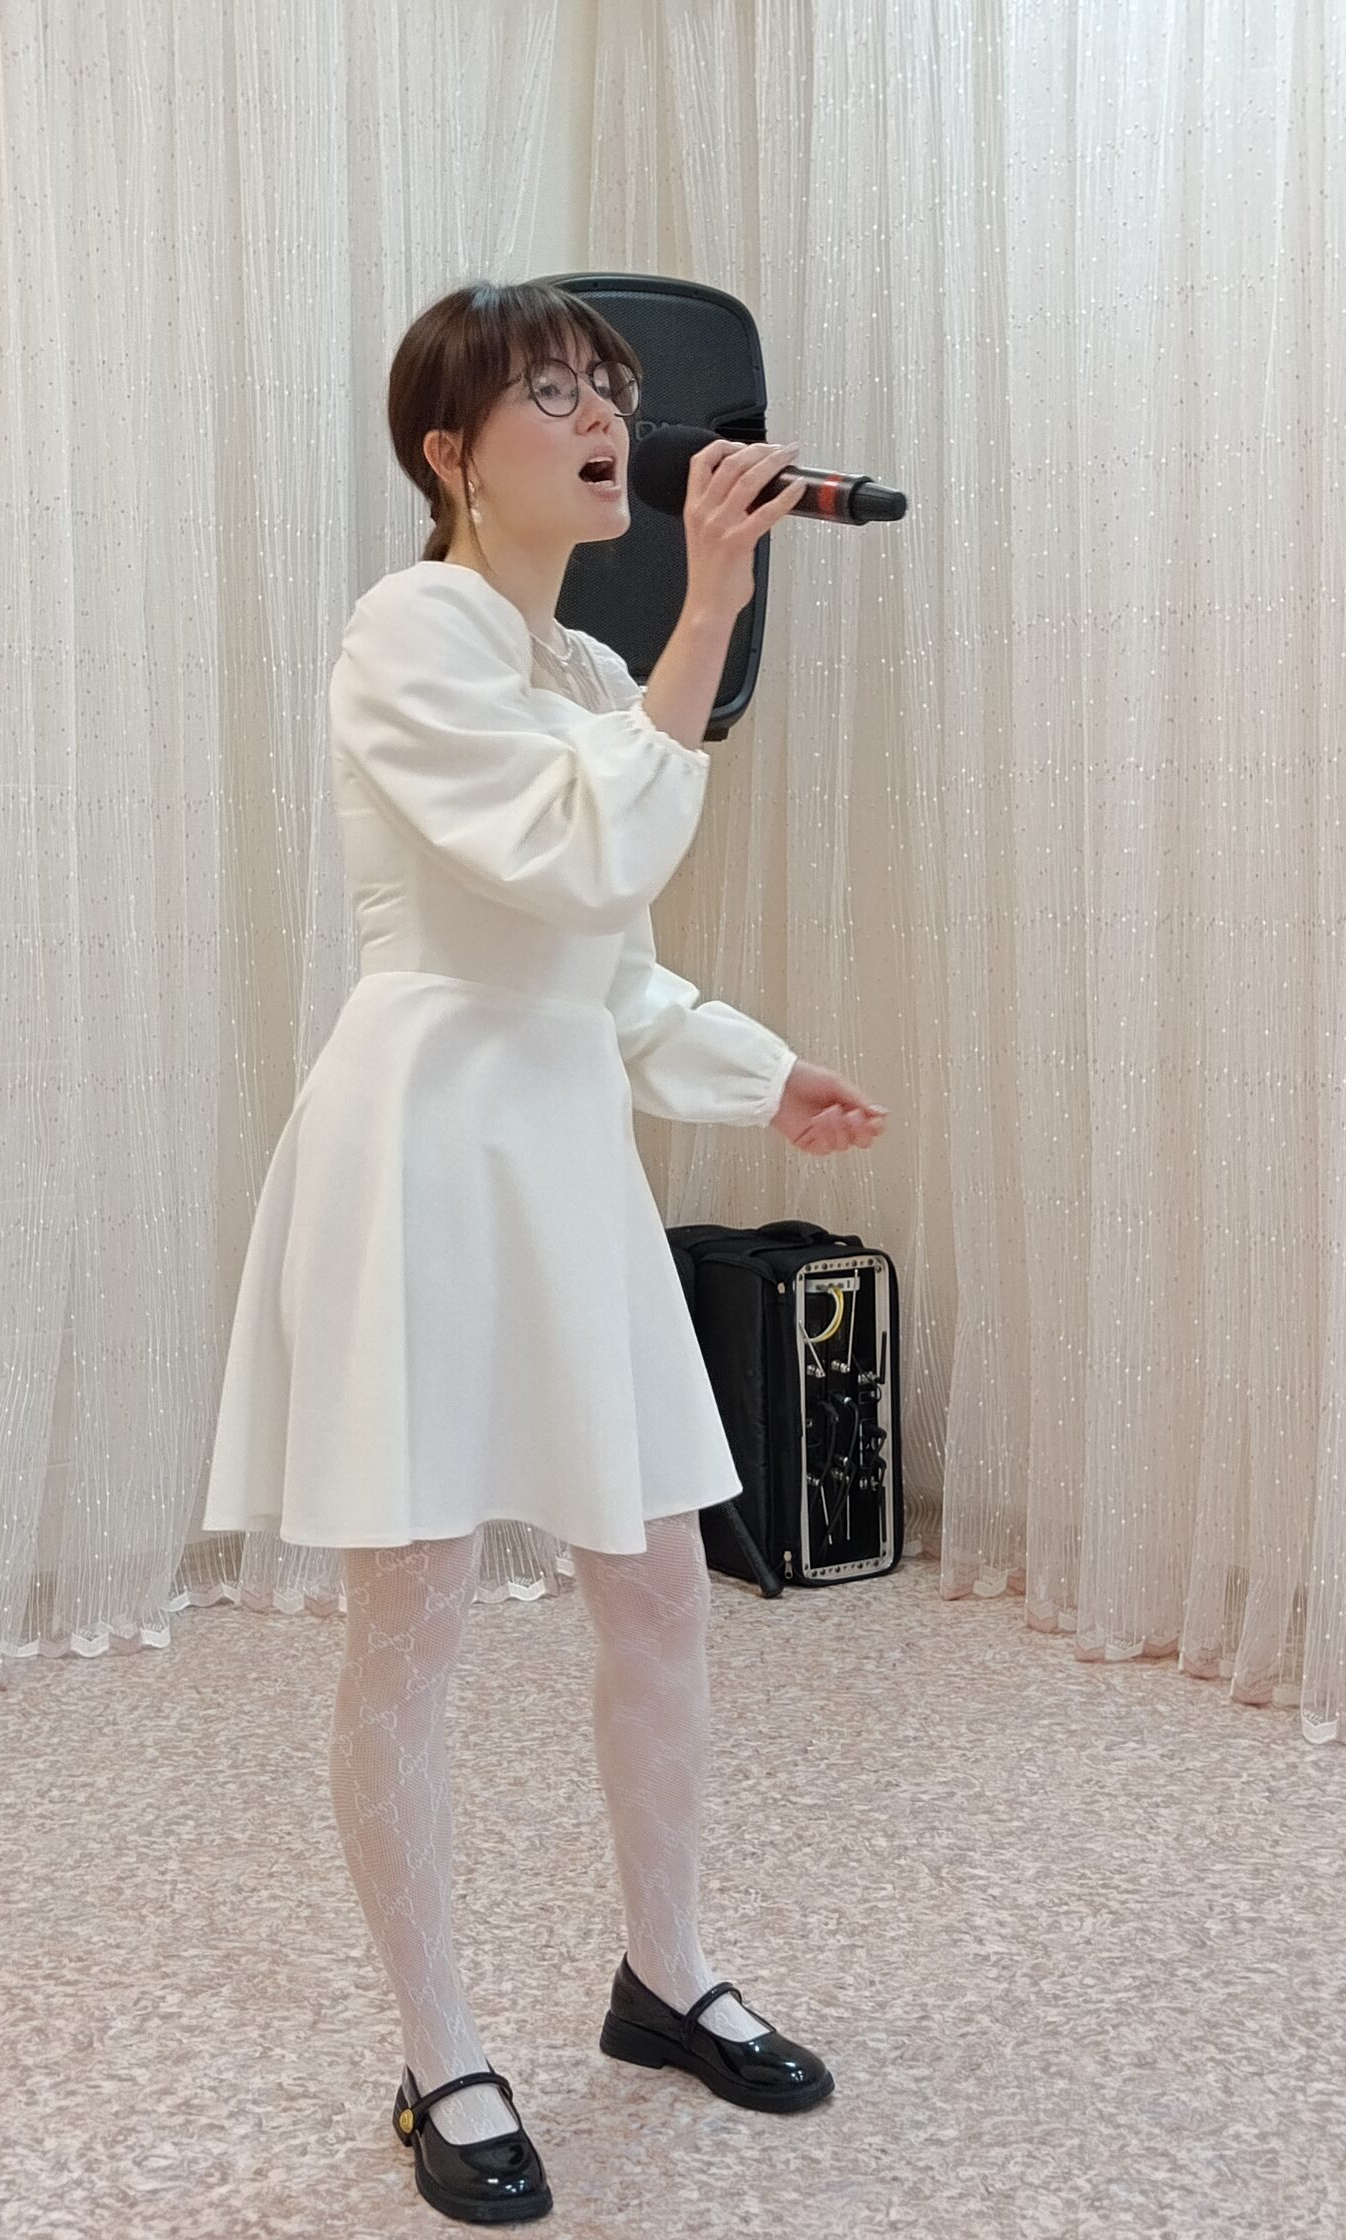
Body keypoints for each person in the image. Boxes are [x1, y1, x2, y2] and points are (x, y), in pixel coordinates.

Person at [201, 279, 888, 2225]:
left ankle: (666, 1976)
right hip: (426, 1144)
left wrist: (759, 1072)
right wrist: (713, 608)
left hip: (564, 1147)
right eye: (557, 395)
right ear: (451, 453)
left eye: (614, 391)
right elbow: (577, 854)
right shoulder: (408, 628)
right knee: (412, 1615)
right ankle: (443, 2054)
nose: (607, 423)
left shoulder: (585, 668)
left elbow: (609, 959)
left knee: (659, 1586)